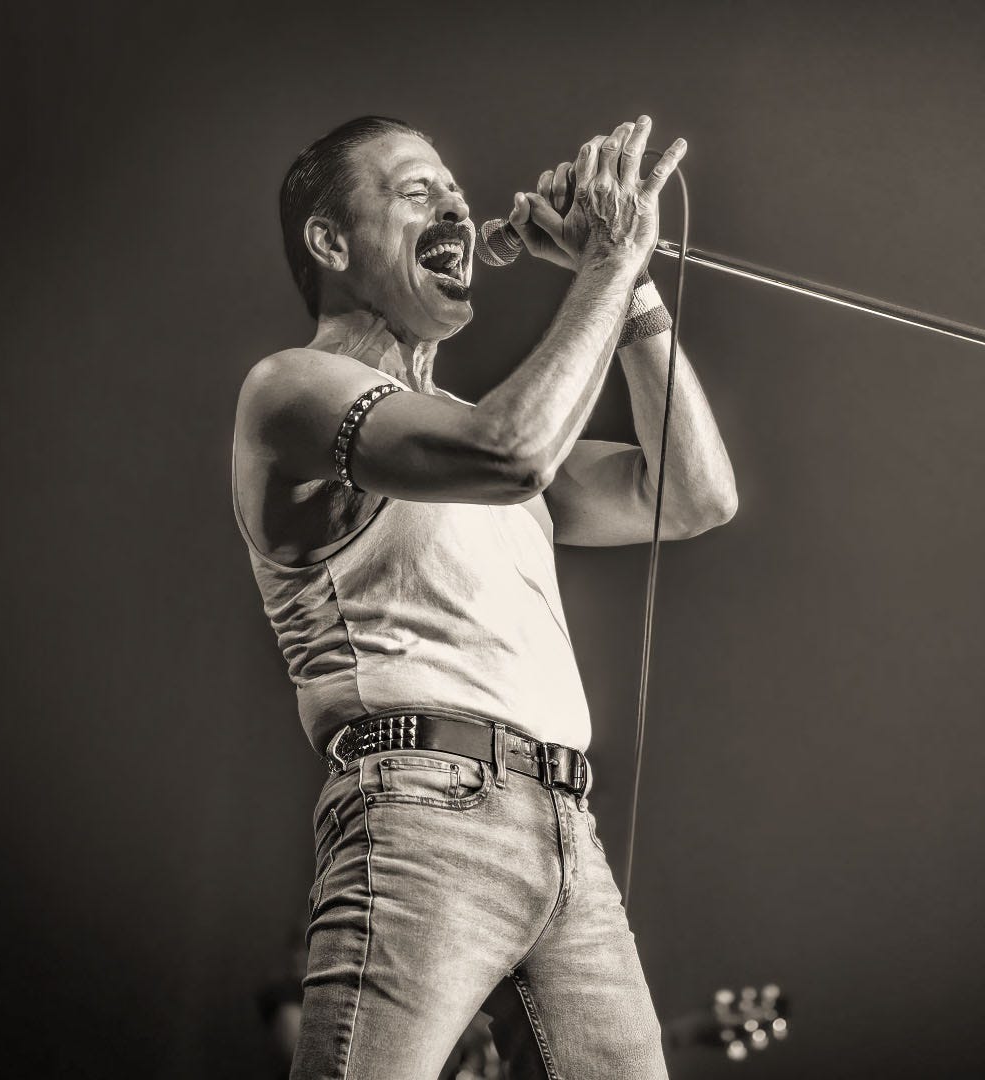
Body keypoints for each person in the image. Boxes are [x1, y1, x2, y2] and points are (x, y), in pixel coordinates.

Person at [231, 112, 736, 1080]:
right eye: (416, 190)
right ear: (331, 242)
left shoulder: (469, 433)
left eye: (457, 193)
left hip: (567, 830)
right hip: (419, 809)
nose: (457, 207)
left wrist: (631, 288)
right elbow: (512, 453)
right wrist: (605, 261)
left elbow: (692, 495)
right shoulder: (289, 390)